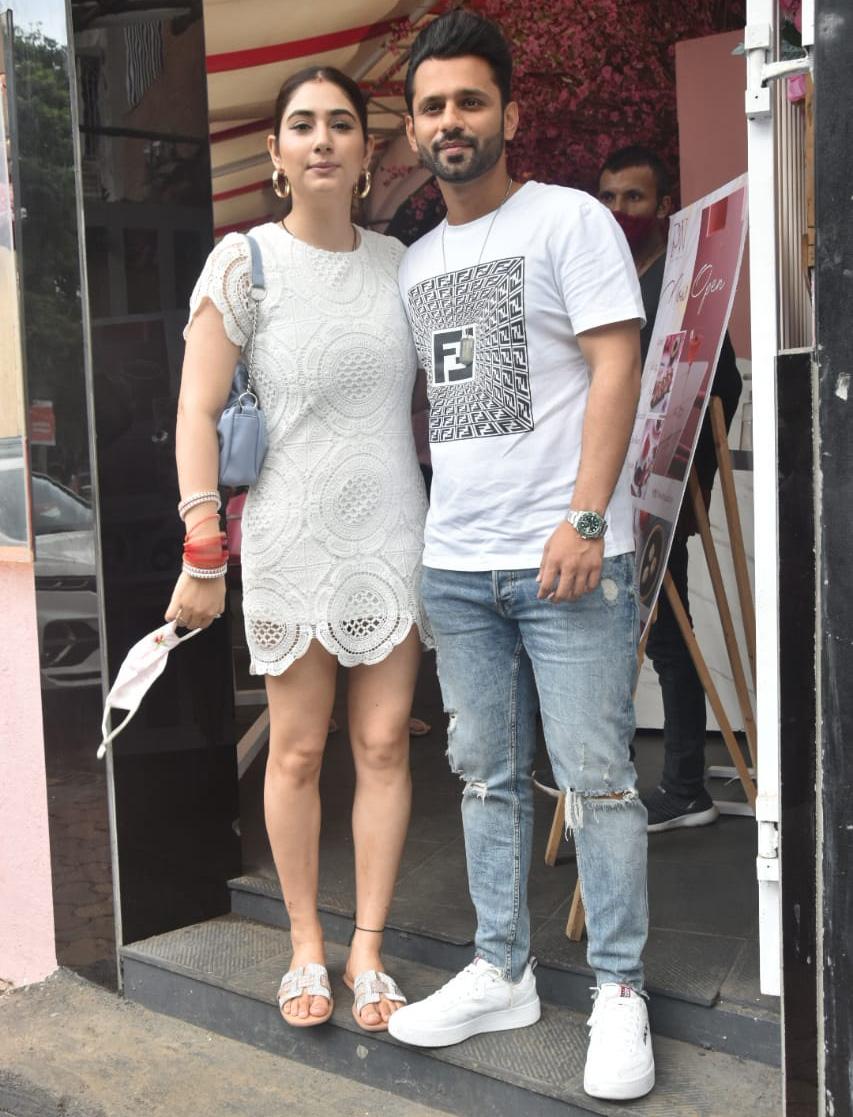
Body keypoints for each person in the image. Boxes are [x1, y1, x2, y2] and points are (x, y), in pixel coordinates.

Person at [386, 10, 655, 1103]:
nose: (451, 122)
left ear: (509, 113)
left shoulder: (570, 222)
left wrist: (587, 519)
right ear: (412, 130)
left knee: (599, 782)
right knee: (482, 779)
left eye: (469, 101)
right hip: (457, 563)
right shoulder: (415, 263)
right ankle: (502, 970)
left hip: (568, 559)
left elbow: (615, 368)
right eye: (433, 107)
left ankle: (619, 990)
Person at [165, 66, 431, 1033]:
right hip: (284, 534)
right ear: (275, 153)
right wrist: (203, 544)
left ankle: (367, 946)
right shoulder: (244, 262)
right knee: (299, 750)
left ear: (368, 153)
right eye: (302, 126)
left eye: (341, 126)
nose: (322, 139)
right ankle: (305, 944)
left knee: (381, 745)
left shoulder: (405, 263)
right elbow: (196, 409)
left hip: (392, 532)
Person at [597, 146, 742, 831]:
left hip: (658, 494)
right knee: (642, 637)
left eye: (634, 197)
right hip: (611, 495)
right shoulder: (608, 277)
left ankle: (684, 783)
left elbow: (724, 381)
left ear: (662, 205)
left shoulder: (678, 282)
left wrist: (687, 480)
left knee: (664, 638)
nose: (620, 210)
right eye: (610, 197)